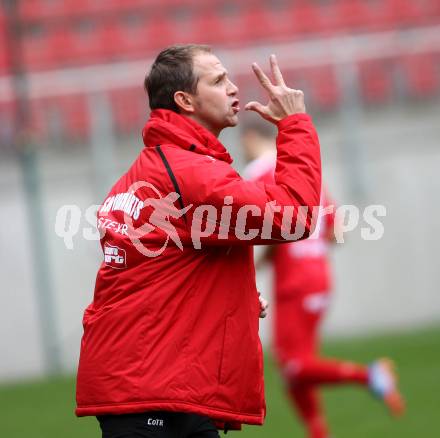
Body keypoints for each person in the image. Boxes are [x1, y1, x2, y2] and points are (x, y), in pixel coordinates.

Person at [76, 44, 322, 438]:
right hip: (150, 392)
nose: (232, 88)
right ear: (184, 100)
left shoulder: (154, 169)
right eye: (218, 80)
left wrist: (227, 295)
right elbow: (294, 218)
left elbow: (158, 274)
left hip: (156, 384)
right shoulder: (190, 173)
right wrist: (295, 125)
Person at [241, 123, 405, 438]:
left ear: (250, 138)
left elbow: (270, 228)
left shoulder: (260, 172)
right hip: (319, 277)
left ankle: (370, 376)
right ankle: (318, 433)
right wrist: (308, 245)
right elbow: (337, 230)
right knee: (297, 370)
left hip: (295, 282)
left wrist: (265, 260)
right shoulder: (304, 177)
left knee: (292, 365)